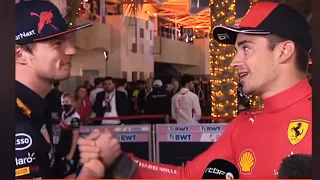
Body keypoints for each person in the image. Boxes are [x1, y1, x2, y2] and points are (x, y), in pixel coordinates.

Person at [78, 2, 312, 179]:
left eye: (246, 48)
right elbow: (188, 176)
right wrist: (119, 162)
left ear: (284, 52)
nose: (234, 61)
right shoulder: (242, 126)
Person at [15, 1, 120, 179]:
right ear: (19, 54)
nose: (71, 50)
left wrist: (86, 161)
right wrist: (96, 165)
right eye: (57, 43)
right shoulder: (16, 122)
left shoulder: (39, 106)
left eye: (68, 40)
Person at [55, 93, 80, 177]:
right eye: (62, 102)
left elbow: (75, 136)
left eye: (67, 101)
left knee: (70, 173)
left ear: (72, 102)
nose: (64, 104)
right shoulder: (63, 114)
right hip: (62, 147)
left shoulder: (75, 118)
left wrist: (71, 154)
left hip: (70, 149)